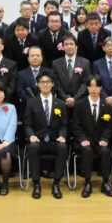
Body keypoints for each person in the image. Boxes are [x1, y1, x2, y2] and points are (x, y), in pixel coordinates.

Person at [23, 71, 68, 199]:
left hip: (54, 140)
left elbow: (64, 124)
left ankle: (56, 183)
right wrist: (31, 135)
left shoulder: (60, 103)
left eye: (48, 82)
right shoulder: (32, 102)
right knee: (32, 147)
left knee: (62, 147)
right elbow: (27, 124)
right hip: (38, 139)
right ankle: (36, 184)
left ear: (52, 84)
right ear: (38, 84)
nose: (45, 84)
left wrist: (62, 135)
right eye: (42, 82)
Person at [72, 75, 112, 197]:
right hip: (84, 141)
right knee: (87, 151)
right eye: (91, 86)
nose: (94, 89)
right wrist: (82, 139)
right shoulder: (80, 105)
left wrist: (105, 139)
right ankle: (87, 183)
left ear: (101, 88)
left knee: (105, 151)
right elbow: (75, 126)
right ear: (87, 88)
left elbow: (110, 126)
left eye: (96, 86)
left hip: (100, 141)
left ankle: (105, 182)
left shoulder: (107, 106)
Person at [51, 35, 91, 111]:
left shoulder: (85, 62)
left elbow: (85, 83)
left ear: (76, 47)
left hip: (80, 101)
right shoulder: (55, 63)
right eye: (66, 44)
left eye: (71, 44)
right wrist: (65, 98)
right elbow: (56, 83)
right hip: (62, 101)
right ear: (62, 47)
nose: (69, 46)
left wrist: (75, 98)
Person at [16, 46, 52, 111]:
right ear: (28, 58)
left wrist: (43, 100)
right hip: (27, 107)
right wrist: (33, 102)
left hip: (46, 106)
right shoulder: (21, 74)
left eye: (38, 55)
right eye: (32, 55)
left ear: (42, 57)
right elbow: (20, 91)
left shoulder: (49, 72)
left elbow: (53, 89)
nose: (35, 58)